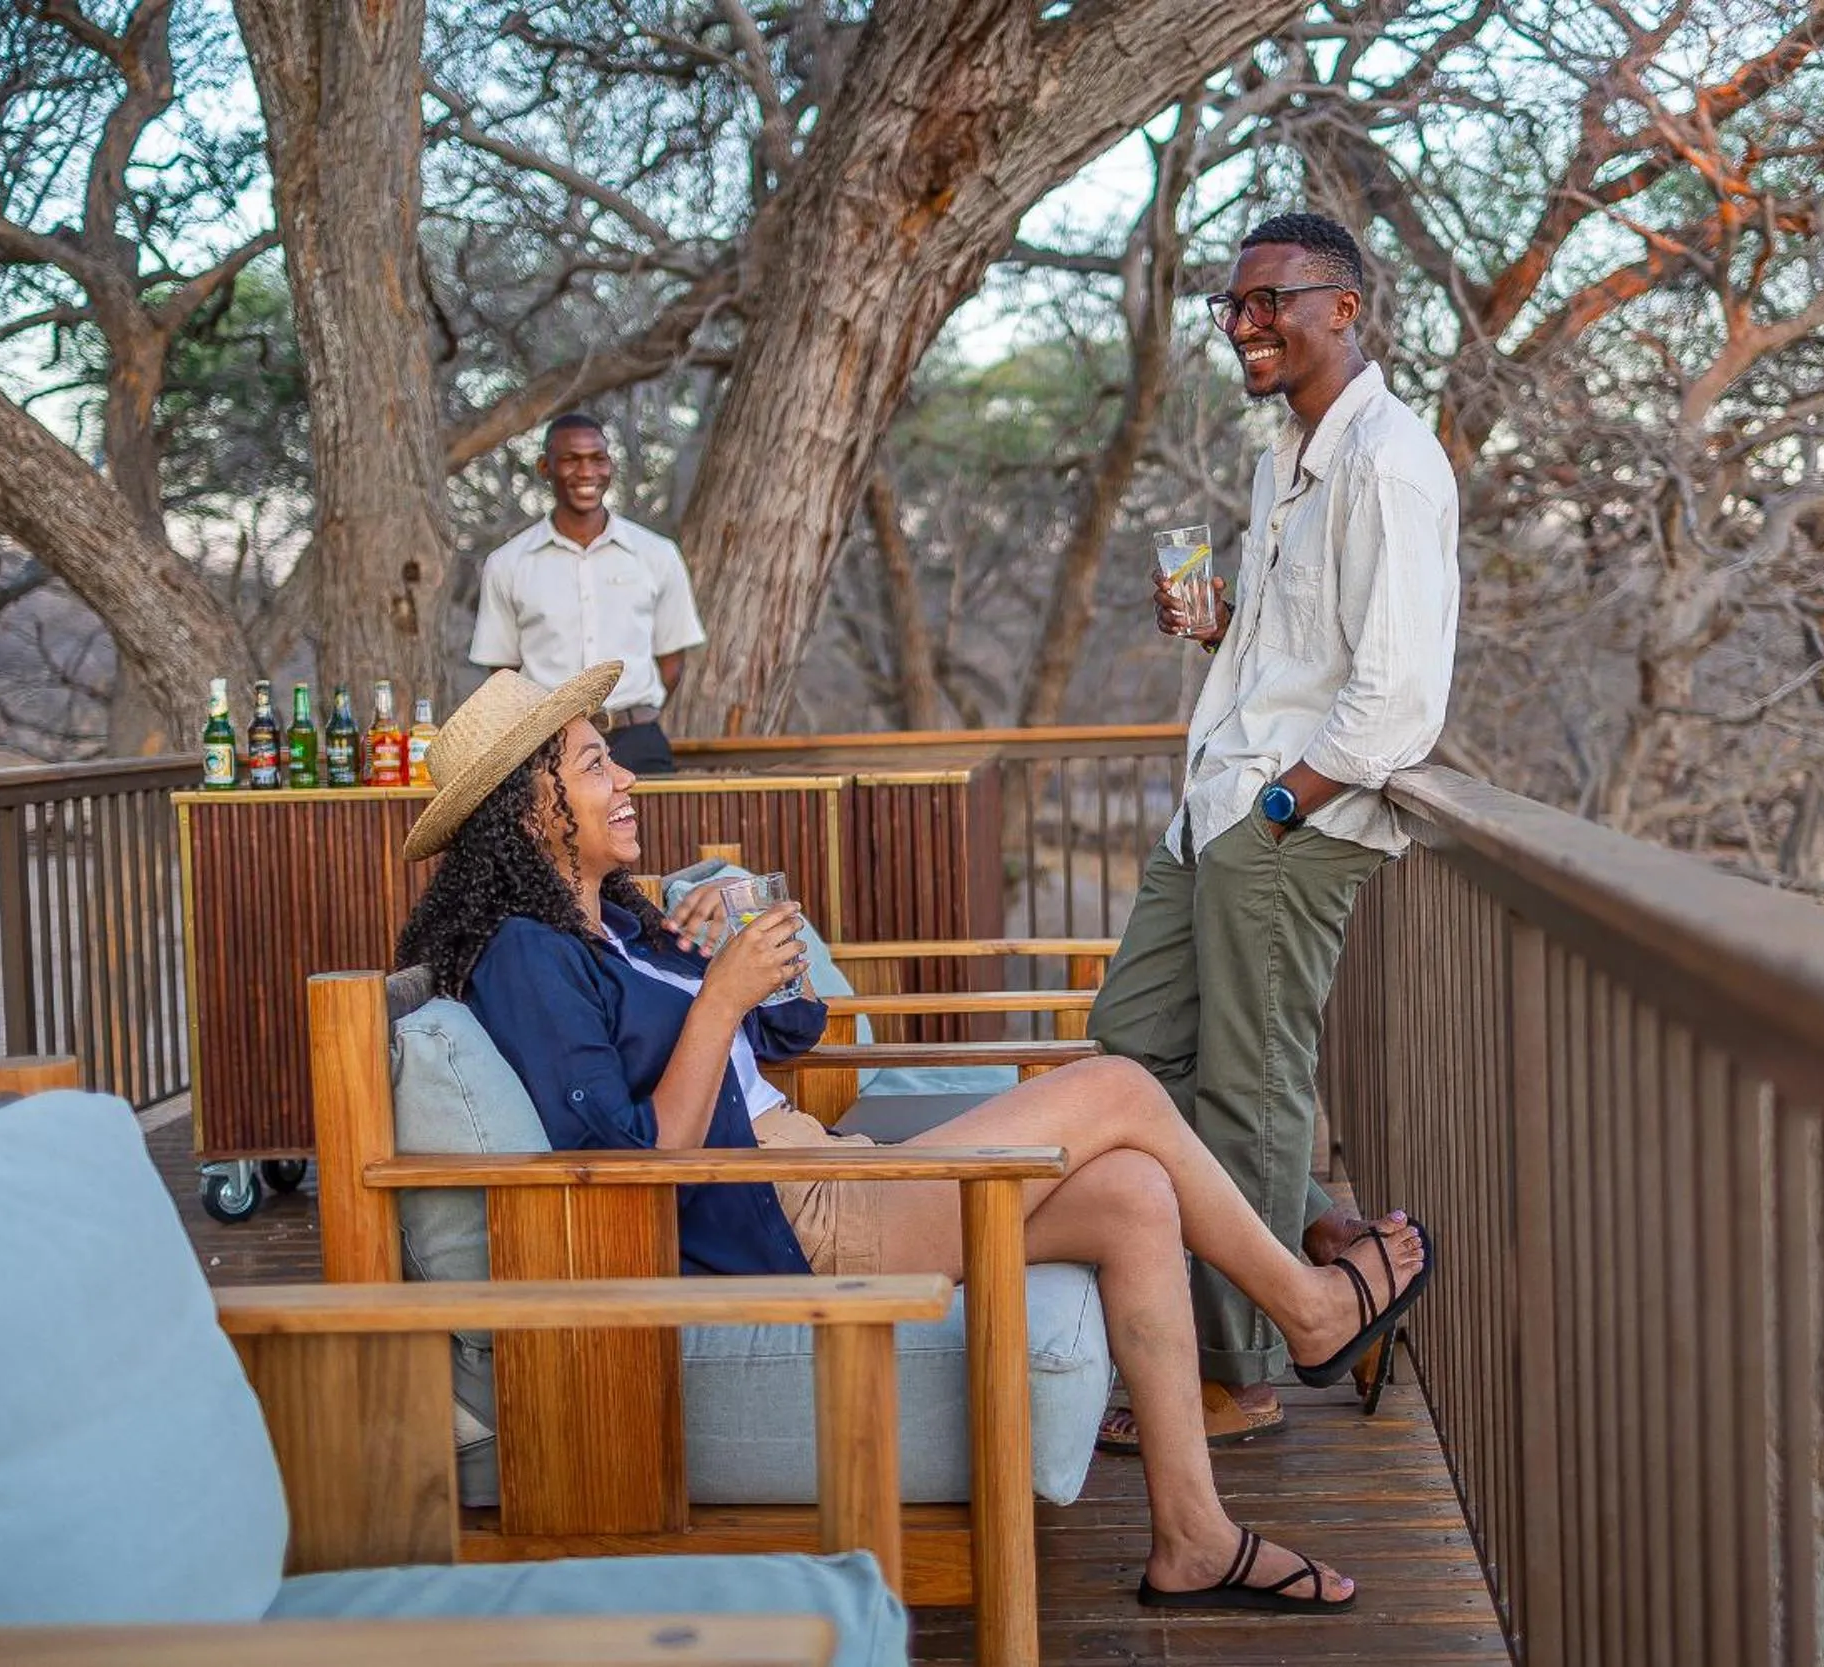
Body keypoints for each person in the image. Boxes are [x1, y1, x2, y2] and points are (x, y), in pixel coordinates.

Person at [394, 663, 1434, 1613]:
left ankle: (1194, 1537)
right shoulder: (526, 956)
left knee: (1132, 1193)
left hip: (818, 1171)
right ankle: (1306, 1310)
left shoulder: (617, 925)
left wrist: (734, 955)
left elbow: (791, 1033)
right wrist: (715, 999)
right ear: (527, 809)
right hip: (777, 1221)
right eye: (592, 765)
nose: (627, 777)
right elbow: (628, 1167)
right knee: (1117, 1085)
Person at [1087, 212, 1461, 1450]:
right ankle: (1329, 1238)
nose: (1245, 323)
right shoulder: (1286, 457)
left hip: (1288, 817)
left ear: (1341, 308)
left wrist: (1282, 806)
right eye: (1232, 306)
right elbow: (1300, 644)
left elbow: (1395, 697)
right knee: (1133, 1046)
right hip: (1219, 804)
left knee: (1249, 1090)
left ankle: (1236, 1373)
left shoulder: (1389, 463)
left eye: (1269, 301)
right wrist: (1220, 623)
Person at [469, 412, 704, 775]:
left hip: (637, 740)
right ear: (545, 467)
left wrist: (628, 712)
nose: (586, 472)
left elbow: (671, 664)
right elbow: (503, 672)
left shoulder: (657, 554)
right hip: (547, 745)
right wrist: (551, 723)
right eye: (571, 459)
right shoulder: (508, 563)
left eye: (598, 458)